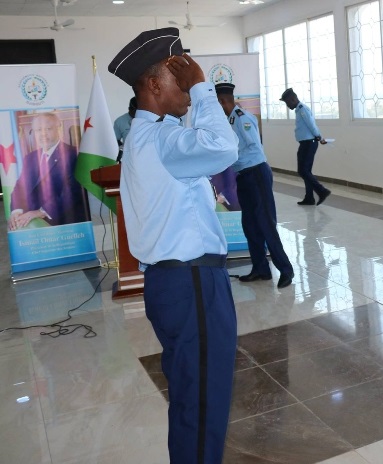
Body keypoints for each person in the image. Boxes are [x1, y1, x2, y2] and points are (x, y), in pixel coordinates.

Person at [108, 28, 239, 464]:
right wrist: (202, 88)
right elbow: (224, 147)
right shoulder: (162, 141)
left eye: (187, 75)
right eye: (178, 74)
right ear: (154, 85)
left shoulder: (144, 138)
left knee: (191, 400)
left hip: (173, 284)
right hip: (192, 284)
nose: (185, 85)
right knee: (202, 404)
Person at [216, 82, 294, 288]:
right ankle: (260, 269)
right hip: (243, 176)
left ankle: (286, 270)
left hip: (256, 173)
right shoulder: (230, 120)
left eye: (218, 103)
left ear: (224, 101)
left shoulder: (243, 119)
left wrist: (228, 157)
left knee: (265, 223)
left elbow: (253, 146)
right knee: (249, 225)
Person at [9, 112, 89, 230]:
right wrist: (16, 210)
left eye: (48, 128)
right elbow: (20, 187)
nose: (43, 134)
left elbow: (72, 192)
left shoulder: (74, 155)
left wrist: (40, 212)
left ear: (59, 129)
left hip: (65, 222)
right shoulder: (30, 158)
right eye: (38, 130)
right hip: (32, 223)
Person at [279, 88, 331, 206]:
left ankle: (322, 191)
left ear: (293, 99)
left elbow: (311, 124)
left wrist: (319, 137)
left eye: (287, 103)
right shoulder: (299, 110)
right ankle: (309, 198)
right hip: (306, 143)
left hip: (309, 143)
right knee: (306, 171)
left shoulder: (302, 109)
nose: (287, 105)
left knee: (302, 171)